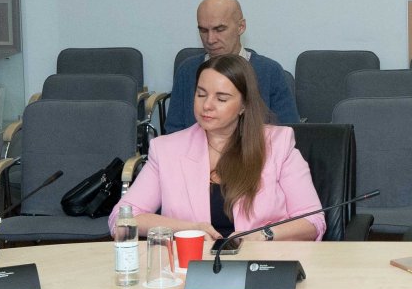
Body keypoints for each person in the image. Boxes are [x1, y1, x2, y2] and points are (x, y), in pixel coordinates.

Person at [118, 55, 324, 241]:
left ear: (243, 105)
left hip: (261, 261)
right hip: (191, 264)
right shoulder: (166, 150)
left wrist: (264, 235)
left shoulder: (278, 143)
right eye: (201, 95)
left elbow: (313, 221)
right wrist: (190, 229)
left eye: (221, 98)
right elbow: (122, 220)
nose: (207, 105)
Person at [166, 0, 298, 131]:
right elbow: (173, 130)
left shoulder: (270, 72)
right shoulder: (187, 71)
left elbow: (288, 132)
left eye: (219, 29)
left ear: (241, 27)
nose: (210, 39)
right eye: (203, 31)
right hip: (194, 145)